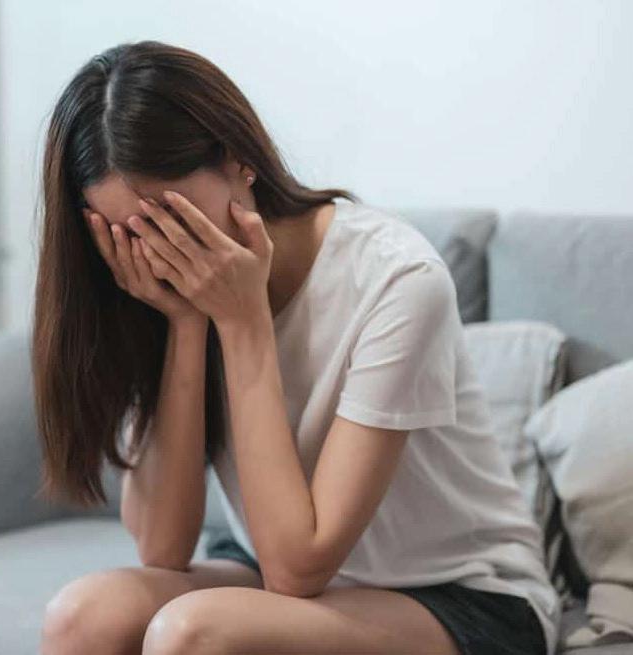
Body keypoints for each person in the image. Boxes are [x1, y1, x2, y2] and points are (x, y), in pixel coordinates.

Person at [32, 40, 559, 655]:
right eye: (133, 232)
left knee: (192, 634)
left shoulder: (395, 279)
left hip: (458, 593)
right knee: (81, 617)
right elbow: (162, 547)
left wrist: (243, 323)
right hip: (275, 570)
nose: (162, 250)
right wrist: (185, 324)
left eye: (174, 218)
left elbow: (297, 568)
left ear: (238, 160)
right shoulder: (155, 291)